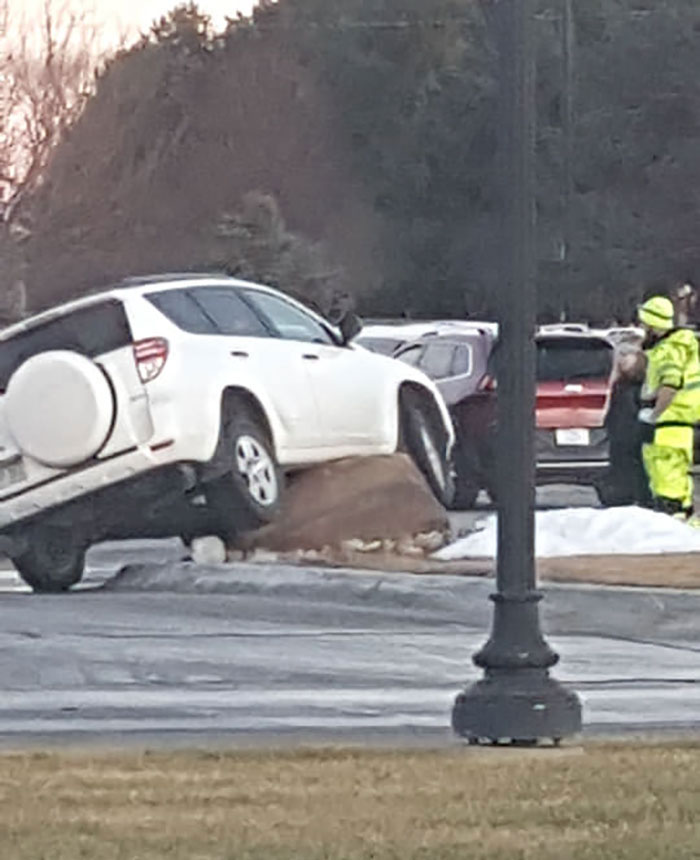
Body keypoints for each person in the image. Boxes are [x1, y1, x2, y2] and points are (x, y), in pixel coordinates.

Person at [637, 295, 700, 520]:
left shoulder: (669, 350)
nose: (642, 327)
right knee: (678, 485)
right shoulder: (684, 345)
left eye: (645, 322)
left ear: (653, 324)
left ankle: (673, 535)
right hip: (681, 424)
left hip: (667, 427)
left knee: (667, 487)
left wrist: (654, 415)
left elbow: (670, 385)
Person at [604, 346, 652, 507]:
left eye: (627, 355)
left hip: (633, 436)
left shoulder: (640, 386)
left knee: (636, 470)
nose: (622, 359)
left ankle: (639, 499)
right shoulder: (619, 384)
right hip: (620, 437)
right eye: (621, 355)